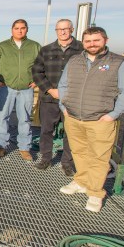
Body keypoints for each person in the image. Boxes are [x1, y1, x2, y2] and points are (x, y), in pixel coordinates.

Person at [58, 27, 124, 212]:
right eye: (88, 41)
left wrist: (113, 115)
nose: (92, 44)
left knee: (99, 156)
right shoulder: (75, 61)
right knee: (79, 152)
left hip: (101, 120)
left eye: (96, 40)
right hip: (74, 117)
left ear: (105, 40)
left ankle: (95, 193)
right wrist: (63, 106)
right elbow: (63, 85)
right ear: (83, 42)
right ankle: (81, 181)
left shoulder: (119, 63)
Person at [31, 19, 83, 174]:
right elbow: (36, 71)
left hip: (73, 99)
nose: (63, 32)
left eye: (66, 29)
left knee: (70, 132)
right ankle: (45, 159)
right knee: (46, 130)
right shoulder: (47, 50)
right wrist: (49, 89)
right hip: (50, 98)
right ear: (56, 31)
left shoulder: (81, 49)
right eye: (59, 29)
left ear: (72, 29)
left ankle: (67, 163)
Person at [0, 19, 41, 160]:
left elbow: (42, 65)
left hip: (26, 88)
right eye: (17, 28)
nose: (20, 30)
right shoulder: (2, 46)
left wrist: (37, 80)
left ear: (27, 29)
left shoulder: (34, 46)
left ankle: (24, 147)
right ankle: (1, 145)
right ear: (12, 30)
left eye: (22, 28)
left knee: (24, 118)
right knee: (2, 117)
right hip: (7, 87)